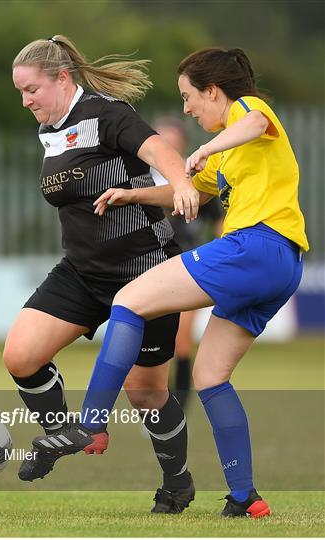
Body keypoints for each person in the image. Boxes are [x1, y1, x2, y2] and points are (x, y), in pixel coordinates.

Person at [35, 47, 309, 518]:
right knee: (209, 377)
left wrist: (203, 148)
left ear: (212, 91)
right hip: (282, 266)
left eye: (189, 97)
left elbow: (255, 124)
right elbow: (190, 193)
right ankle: (246, 498)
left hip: (255, 246)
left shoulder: (248, 112)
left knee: (129, 299)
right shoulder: (226, 159)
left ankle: (90, 424)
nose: (185, 108)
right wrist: (133, 193)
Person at [6, 34, 199, 514]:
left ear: (62, 78)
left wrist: (181, 185)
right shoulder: (51, 128)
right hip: (83, 272)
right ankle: (62, 433)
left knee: (146, 392)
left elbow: (159, 152)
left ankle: (177, 483)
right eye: (21, 93)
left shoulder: (105, 113)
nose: (26, 101)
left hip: (145, 273)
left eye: (32, 90)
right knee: (20, 355)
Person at [151, 116, 224, 409]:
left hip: (187, 267)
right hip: (150, 268)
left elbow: (220, 221)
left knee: (181, 343)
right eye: (161, 139)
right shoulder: (140, 178)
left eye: (173, 139)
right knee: (151, 345)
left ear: (182, 144)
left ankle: (178, 408)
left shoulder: (192, 178)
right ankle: (156, 404)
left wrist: (225, 252)